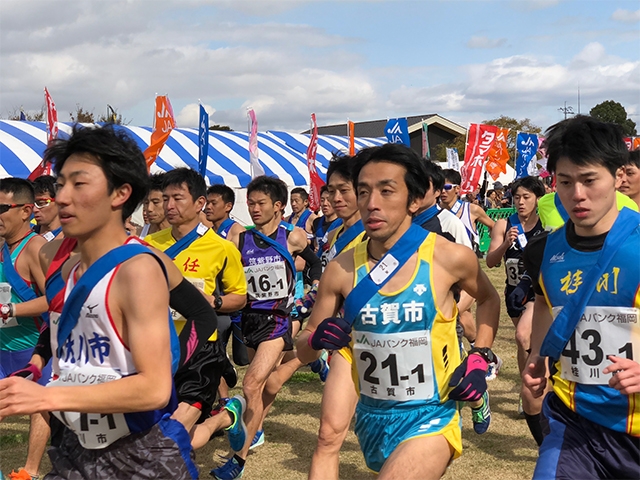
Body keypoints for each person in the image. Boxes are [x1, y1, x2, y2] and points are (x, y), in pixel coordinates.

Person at [0, 125, 198, 479]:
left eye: (79, 184)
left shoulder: (138, 269)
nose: (62, 197)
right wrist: (37, 368)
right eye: (60, 184)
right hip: (76, 444)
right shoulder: (63, 265)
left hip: (139, 451)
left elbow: (154, 388)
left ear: (120, 193)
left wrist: (47, 397)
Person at [298, 143, 500, 478]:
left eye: (387, 191)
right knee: (327, 438)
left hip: (432, 415)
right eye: (364, 192)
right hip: (372, 415)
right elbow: (304, 350)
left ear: (414, 199)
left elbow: (489, 299)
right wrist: (316, 338)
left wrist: (479, 356)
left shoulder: (450, 257)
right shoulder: (340, 269)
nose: (372, 203)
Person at [522, 116, 640, 479]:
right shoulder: (542, 252)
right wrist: (539, 354)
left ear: (618, 176)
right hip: (575, 424)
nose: (577, 195)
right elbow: (545, 303)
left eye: (589, 180)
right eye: (565, 182)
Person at [211, 176, 321, 479]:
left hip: (278, 319)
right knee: (261, 385)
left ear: (278, 206)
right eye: (250, 203)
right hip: (248, 319)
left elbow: (315, 263)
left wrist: (313, 289)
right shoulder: (240, 238)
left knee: (250, 385)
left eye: (260, 203)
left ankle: (238, 459)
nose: (254, 208)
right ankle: (255, 425)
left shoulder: (293, 236)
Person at [145, 168, 248, 450]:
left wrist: (212, 302)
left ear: (200, 203)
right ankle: (226, 416)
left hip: (200, 348)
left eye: (177, 198)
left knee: (172, 436)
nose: (169, 205)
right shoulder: (149, 245)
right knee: (159, 433)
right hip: (155, 346)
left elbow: (240, 298)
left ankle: (221, 418)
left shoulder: (222, 248)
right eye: (165, 198)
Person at [486, 176, 546, 444]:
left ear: (537, 199)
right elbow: (490, 261)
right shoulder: (504, 224)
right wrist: (504, 244)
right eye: (517, 197)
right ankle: (529, 388)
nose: (521, 202)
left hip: (537, 292)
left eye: (526, 197)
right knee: (526, 344)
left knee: (523, 336)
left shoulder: (546, 223)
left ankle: (530, 391)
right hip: (513, 293)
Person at [0, 178, 51, 480]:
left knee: (38, 408)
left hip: (32, 350)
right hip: (2, 346)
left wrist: (12, 310)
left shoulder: (36, 248)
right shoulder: (1, 245)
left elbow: (56, 299)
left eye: (2, 208)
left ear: (25, 211)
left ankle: (29, 471)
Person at [204, 183, 250, 399]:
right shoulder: (206, 232)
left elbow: (246, 268)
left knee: (243, 358)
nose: (208, 207)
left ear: (228, 206)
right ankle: (222, 396)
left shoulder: (236, 232)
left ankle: (227, 366)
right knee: (213, 351)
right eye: (207, 203)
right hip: (214, 304)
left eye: (213, 203)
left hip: (236, 304)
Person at [312, 185, 341, 256]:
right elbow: (315, 242)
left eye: (328, 200)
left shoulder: (342, 223)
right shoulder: (316, 222)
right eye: (322, 200)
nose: (325, 204)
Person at [32, 175, 62, 241]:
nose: (34, 209)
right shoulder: (26, 236)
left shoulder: (73, 239)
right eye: (33, 204)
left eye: (41, 203)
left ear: (58, 201)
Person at [140, 173, 171, 237]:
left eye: (155, 202)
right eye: (146, 203)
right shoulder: (139, 234)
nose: (149, 208)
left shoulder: (180, 236)